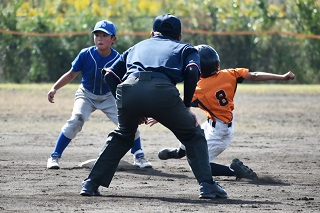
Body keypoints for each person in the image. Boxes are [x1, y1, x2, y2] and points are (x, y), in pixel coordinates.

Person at [79, 14, 228, 199]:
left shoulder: (137, 46)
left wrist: (125, 105)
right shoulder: (186, 48)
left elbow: (109, 74)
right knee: (193, 135)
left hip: (128, 89)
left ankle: (90, 183)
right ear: (179, 36)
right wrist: (187, 107)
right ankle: (207, 186)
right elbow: (191, 71)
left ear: (152, 34)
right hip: (162, 91)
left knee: (123, 135)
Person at [156, 44, 295, 180]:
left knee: (200, 166)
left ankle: (234, 171)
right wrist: (282, 77)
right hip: (217, 124)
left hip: (220, 133)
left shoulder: (199, 90)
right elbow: (255, 75)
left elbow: (177, 106)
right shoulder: (230, 74)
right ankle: (179, 152)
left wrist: (157, 115)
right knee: (190, 131)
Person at [46, 20, 152, 170]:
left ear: (113, 39)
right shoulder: (85, 54)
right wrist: (54, 88)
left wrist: (136, 107)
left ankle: (139, 156)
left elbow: (127, 83)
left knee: (130, 123)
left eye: (104, 35)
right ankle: (54, 156)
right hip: (86, 95)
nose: (100, 38)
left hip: (109, 96)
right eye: (97, 35)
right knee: (76, 120)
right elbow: (71, 75)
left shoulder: (119, 59)